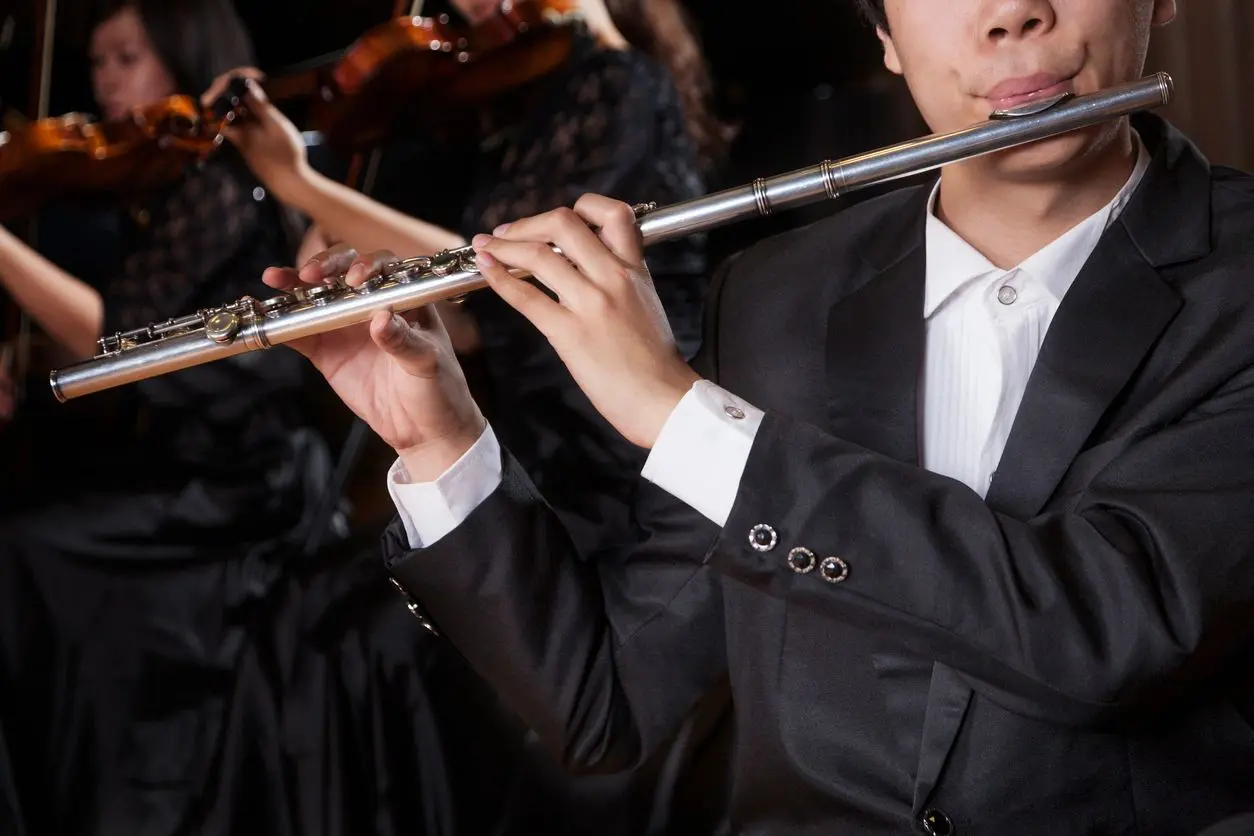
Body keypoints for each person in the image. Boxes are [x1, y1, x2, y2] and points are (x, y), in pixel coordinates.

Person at [272, 0, 1254, 832]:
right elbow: (608, 700)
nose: (1009, 15)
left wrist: (685, 414)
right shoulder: (775, 295)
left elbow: (1115, 628)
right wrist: (439, 438)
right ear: (883, 34)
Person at [206, 1, 732, 833]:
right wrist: (353, 279)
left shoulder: (618, 82)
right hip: (534, 449)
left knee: (370, 644)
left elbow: (506, 298)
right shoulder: (506, 107)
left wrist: (302, 182)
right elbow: (455, 313)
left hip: (626, 462)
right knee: (302, 624)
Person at [0, 1, 338, 833]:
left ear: (186, 62)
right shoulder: (156, 184)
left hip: (245, 480)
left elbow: (112, 340)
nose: (105, 81)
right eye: (100, 61)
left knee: (24, 543)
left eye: (128, 58)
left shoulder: (223, 185)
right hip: (183, 457)